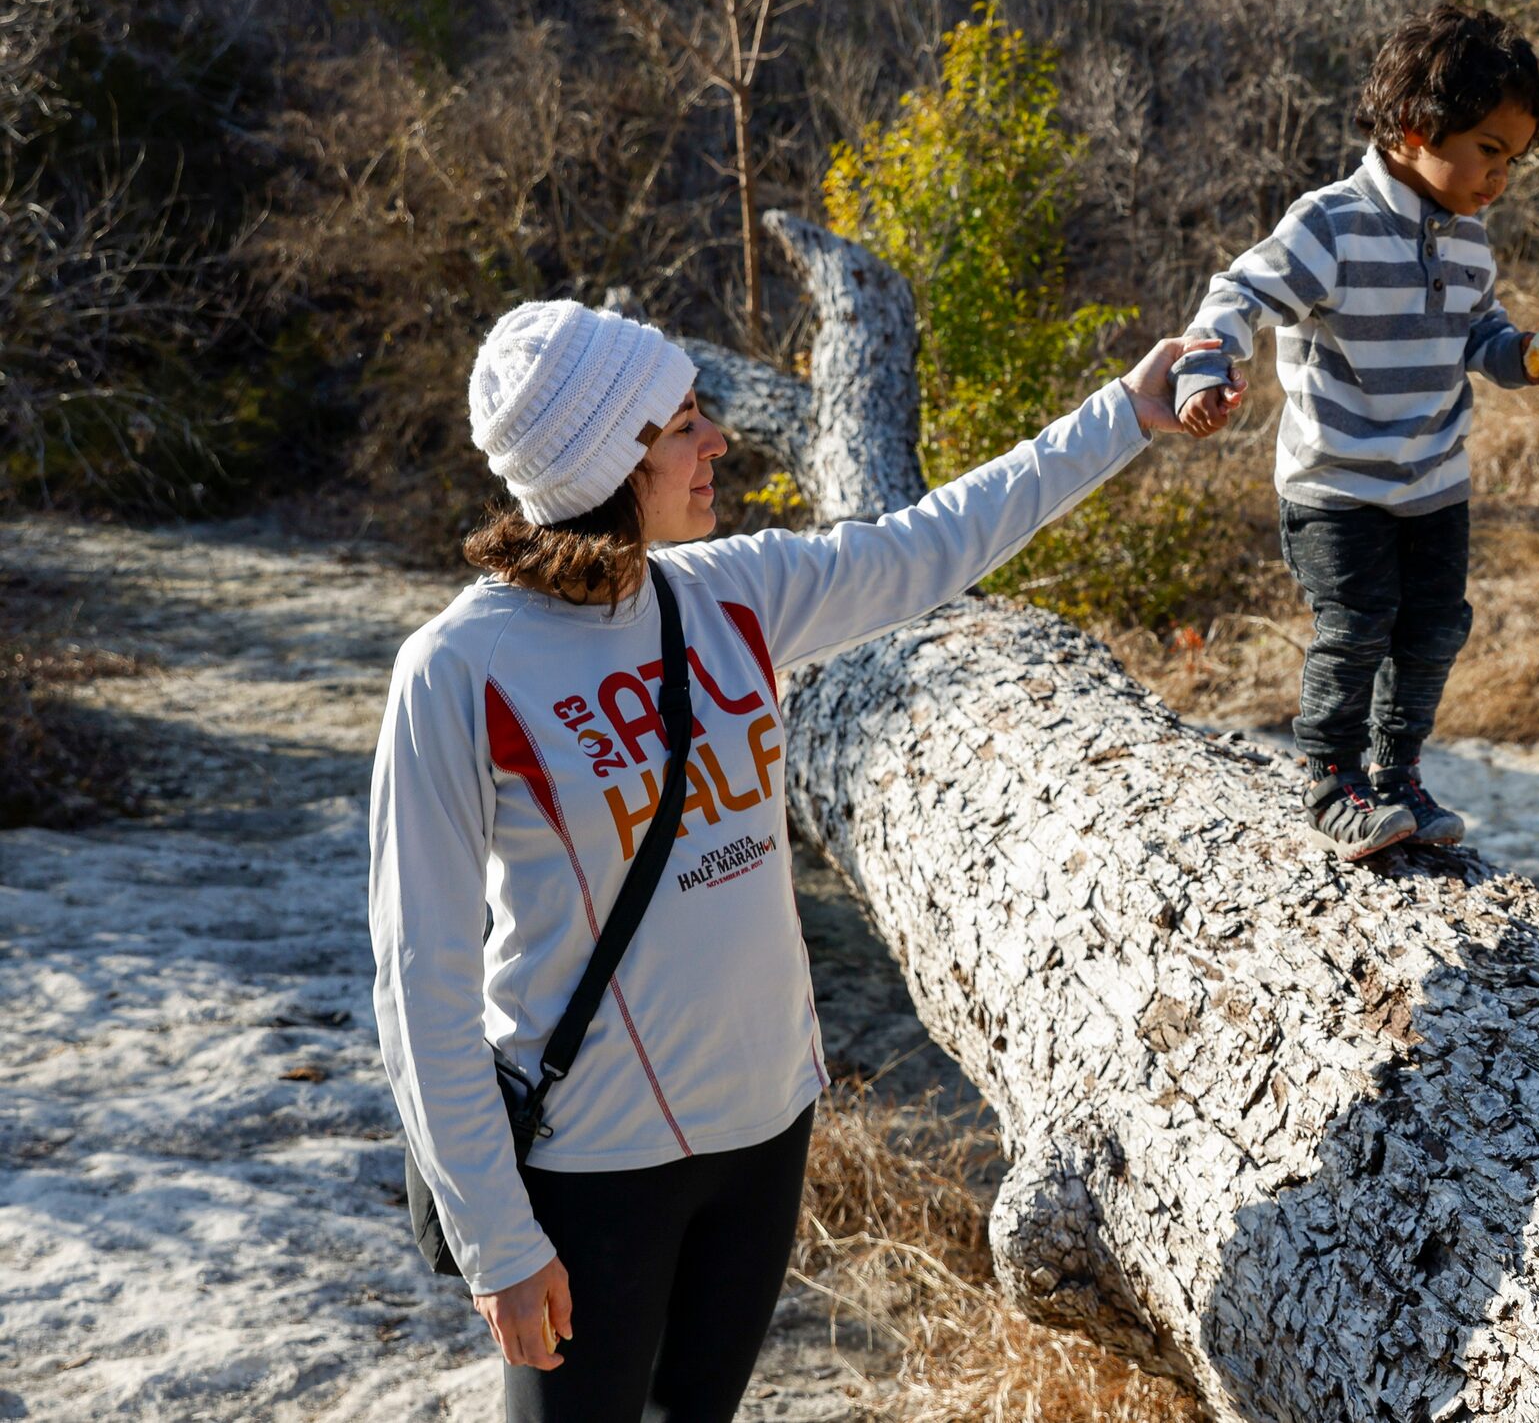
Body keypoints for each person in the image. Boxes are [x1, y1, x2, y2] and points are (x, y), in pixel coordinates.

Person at [370, 296, 1212, 1420]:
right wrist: (494, 1241)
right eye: (677, 425)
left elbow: (932, 543)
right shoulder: (461, 669)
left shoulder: (729, 592)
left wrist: (1123, 414)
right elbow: (418, 976)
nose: (714, 437)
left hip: (765, 1127)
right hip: (592, 1163)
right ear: (603, 461)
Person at [1171, 5, 1539, 858]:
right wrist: (1207, 367)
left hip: (1433, 482)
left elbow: (1478, 334)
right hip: (1339, 486)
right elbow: (1237, 295)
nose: (1500, 178)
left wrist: (1518, 358)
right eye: (1490, 151)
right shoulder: (1333, 223)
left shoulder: (1468, 240)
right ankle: (1329, 777)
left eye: (1515, 160)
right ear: (1420, 126)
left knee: (1433, 628)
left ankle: (1398, 776)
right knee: (1358, 624)